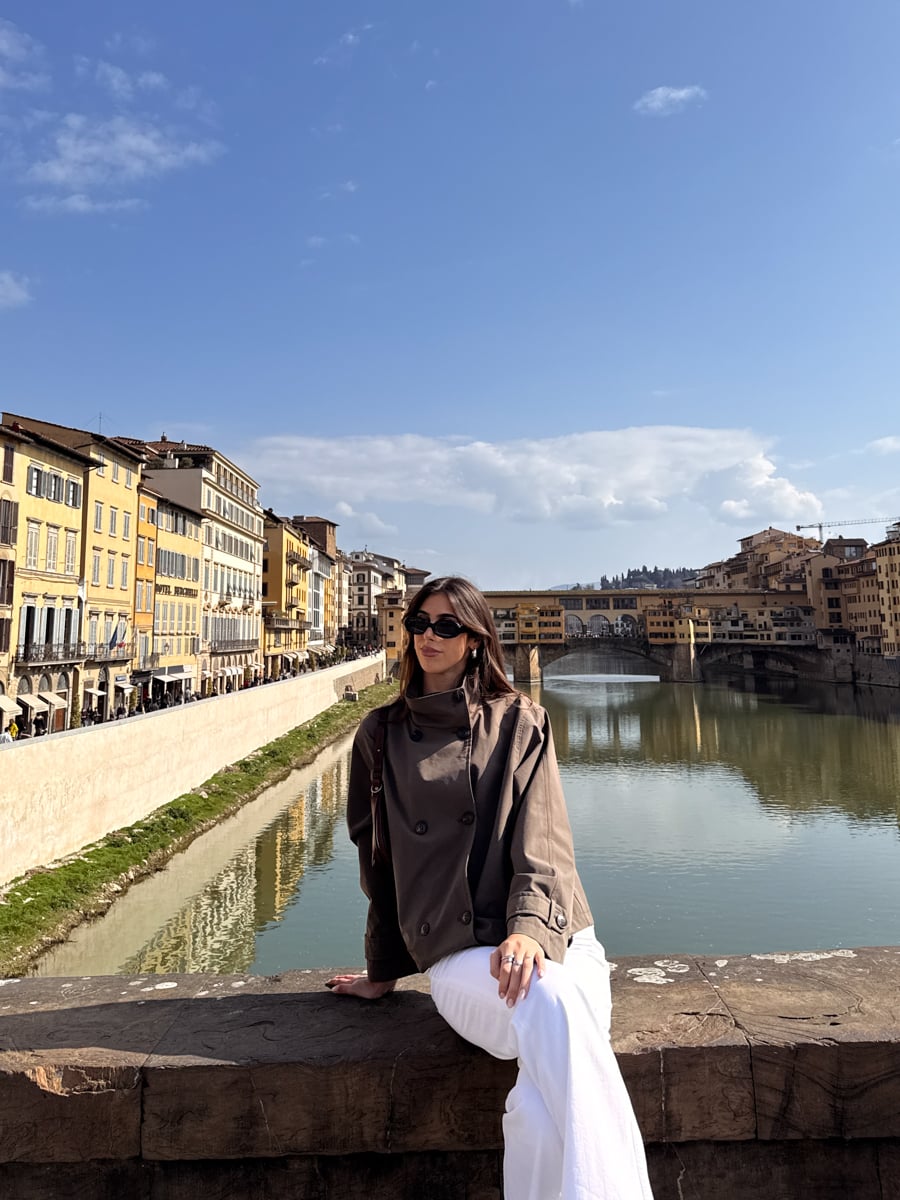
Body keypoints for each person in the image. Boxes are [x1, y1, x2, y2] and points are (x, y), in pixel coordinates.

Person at [327, 576, 653, 1200]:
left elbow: (546, 839)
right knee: (554, 1009)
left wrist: (529, 928)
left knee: (543, 1090)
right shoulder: (380, 733)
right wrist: (383, 969)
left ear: (476, 641)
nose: (428, 635)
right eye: (419, 623)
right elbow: (379, 860)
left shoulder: (522, 720)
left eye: (447, 626)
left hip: (559, 932)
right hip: (459, 947)